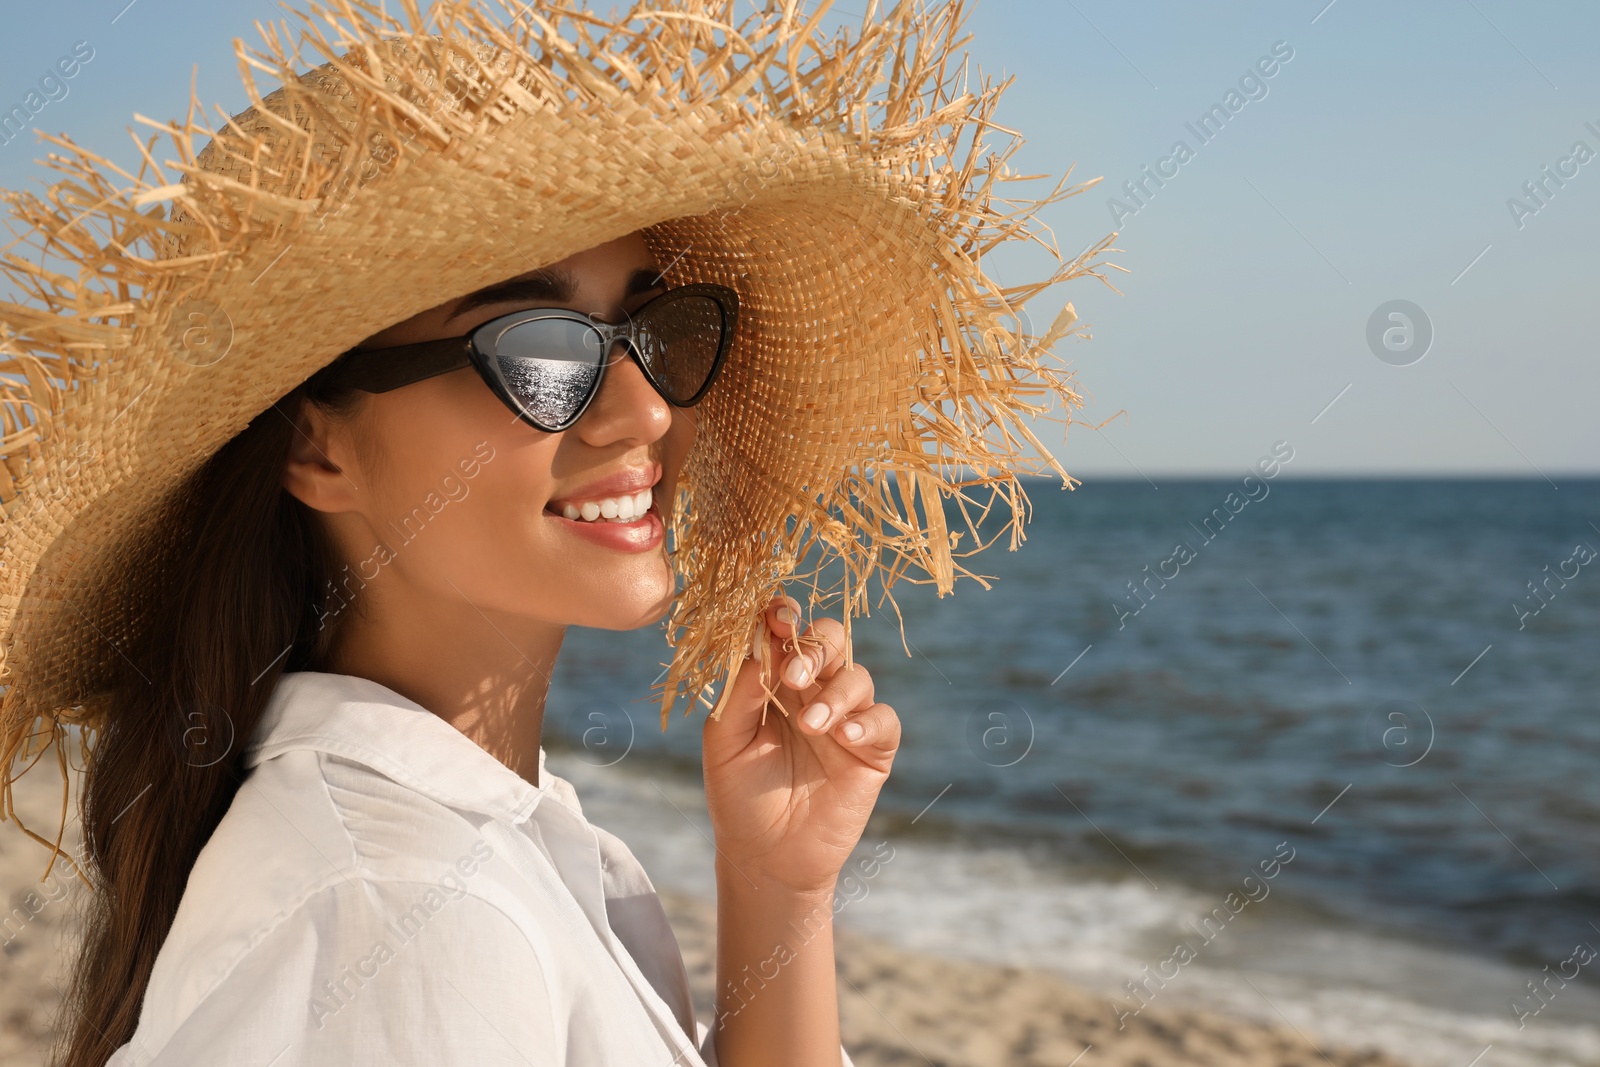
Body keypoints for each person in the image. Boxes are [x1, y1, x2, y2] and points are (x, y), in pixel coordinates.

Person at [0, 2, 1108, 1064]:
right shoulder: (405, 912)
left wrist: (778, 886)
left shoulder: (490, 855)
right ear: (314, 446)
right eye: (538, 348)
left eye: (650, 328)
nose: (646, 412)